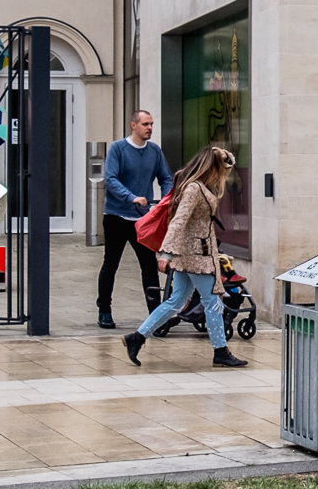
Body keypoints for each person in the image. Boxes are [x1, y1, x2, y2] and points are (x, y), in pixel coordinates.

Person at [122, 146, 246, 369]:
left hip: (191, 253)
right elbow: (178, 221)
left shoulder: (197, 186)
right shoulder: (194, 189)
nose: (223, 171)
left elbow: (230, 163)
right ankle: (221, 351)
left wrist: (223, 153)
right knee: (212, 302)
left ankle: (137, 338)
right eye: (219, 165)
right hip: (196, 256)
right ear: (211, 167)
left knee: (176, 301)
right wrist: (166, 253)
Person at [96, 110, 174, 328]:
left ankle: (156, 316)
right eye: (145, 124)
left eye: (151, 124)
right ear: (133, 125)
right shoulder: (118, 149)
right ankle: (104, 310)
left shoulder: (155, 151)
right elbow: (110, 179)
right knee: (111, 264)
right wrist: (131, 197)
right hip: (116, 217)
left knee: (149, 266)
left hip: (143, 220)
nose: (149, 128)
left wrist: (166, 200)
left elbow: (166, 178)